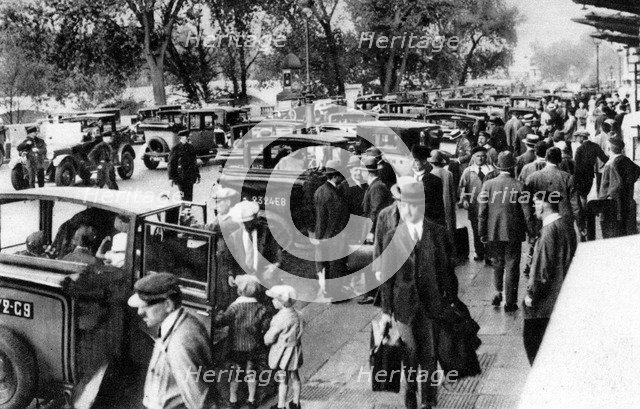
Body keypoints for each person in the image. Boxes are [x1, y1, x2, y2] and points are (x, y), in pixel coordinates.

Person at [379, 182, 458, 409]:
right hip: (404, 306)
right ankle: (410, 396)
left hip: (432, 305)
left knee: (430, 356)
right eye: (403, 205)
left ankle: (429, 401)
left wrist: (450, 300)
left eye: (412, 205)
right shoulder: (392, 236)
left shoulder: (438, 233)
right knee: (409, 354)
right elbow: (386, 277)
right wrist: (386, 312)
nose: (406, 210)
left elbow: (447, 271)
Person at [127, 273, 218, 408]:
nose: (140, 312)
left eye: (146, 305)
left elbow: (199, 401)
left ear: (168, 305)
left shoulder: (180, 341)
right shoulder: (177, 323)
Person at [523, 192, 577, 364]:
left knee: (534, 347)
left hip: (545, 304)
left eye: (535, 203)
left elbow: (542, 271)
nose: (533, 208)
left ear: (544, 205)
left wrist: (531, 296)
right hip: (563, 296)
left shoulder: (547, 232)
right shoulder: (565, 224)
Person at [479, 152, 532, 312]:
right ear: (513, 166)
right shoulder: (519, 185)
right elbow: (527, 213)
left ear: (497, 167)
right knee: (512, 265)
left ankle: (497, 292)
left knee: (497, 262)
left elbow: (482, 211)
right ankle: (510, 301)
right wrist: (532, 232)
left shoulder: (488, 185)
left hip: (493, 231)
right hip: (513, 231)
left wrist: (482, 231)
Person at [214, 275, 270, 409]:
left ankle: (233, 399)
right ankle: (251, 399)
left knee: (236, 372)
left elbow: (221, 321)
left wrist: (218, 314)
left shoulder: (235, 307)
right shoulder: (260, 307)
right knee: (251, 371)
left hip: (236, 345)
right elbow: (265, 326)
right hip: (253, 346)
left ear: (240, 291)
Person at [221, 201, 283, 286]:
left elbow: (277, 255)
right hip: (243, 281)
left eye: (247, 222)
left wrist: (274, 266)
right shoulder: (233, 237)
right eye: (241, 223)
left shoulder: (267, 233)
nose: (244, 226)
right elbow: (229, 259)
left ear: (255, 219)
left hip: (263, 280)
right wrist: (230, 275)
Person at [314, 159, 350, 301]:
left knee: (328, 266)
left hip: (326, 235)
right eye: (341, 175)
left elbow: (319, 218)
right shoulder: (331, 195)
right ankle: (335, 295)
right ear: (335, 176)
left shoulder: (321, 190)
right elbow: (325, 218)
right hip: (334, 236)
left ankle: (328, 292)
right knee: (335, 266)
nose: (342, 178)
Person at [264, 285, 303, 409]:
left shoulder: (279, 318)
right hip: (295, 350)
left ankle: (281, 405)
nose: (272, 301)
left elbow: (270, 337)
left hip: (282, 352)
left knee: (283, 379)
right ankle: (296, 402)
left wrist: (266, 341)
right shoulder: (298, 314)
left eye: (274, 299)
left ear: (281, 302)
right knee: (295, 376)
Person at [525, 147, 581, 232]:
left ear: (546, 158)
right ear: (560, 160)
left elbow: (526, 203)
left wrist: (531, 226)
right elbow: (575, 204)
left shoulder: (532, 178)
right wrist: (580, 224)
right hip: (564, 220)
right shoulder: (568, 177)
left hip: (542, 220)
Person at [598, 137, 640, 238]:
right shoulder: (627, 161)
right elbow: (637, 171)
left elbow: (608, 187)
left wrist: (601, 201)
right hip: (628, 201)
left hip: (614, 206)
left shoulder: (610, 164)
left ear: (609, 149)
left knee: (614, 236)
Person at [459, 146, 495, 262]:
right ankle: (479, 252)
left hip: (489, 206)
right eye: (478, 156)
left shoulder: (492, 171)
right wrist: (464, 199)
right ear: (473, 157)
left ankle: (490, 254)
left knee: (489, 229)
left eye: (483, 156)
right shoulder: (468, 171)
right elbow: (462, 187)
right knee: (476, 229)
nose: (480, 158)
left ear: (486, 157)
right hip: (473, 205)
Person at [428, 150, 457, 256]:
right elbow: (452, 193)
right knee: (450, 229)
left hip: (436, 206)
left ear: (431, 163)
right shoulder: (449, 174)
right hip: (448, 205)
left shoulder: (430, 174)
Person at [411, 145, 445, 226]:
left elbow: (436, 208)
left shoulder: (434, 180)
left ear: (424, 161)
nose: (413, 164)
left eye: (416, 161)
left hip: (428, 224)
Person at [574, 130, 608, 206]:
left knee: (582, 196)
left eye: (578, 137)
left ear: (582, 137)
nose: (577, 140)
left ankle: (583, 214)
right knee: (585, 195)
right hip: (590, 174)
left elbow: (576, 166)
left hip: (580, 175)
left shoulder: (580, 149)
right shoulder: (595, 146)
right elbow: (605, 159)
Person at [168, 134, 200, 201]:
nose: (187, 138)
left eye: (187, 137)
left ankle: (188, 210)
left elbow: (194, 162)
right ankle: (184, 210)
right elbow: (171, 164)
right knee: (183, 196)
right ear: (181, 138)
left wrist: (197, 175)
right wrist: (170, 178)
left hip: (190, 176)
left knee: (189, 196)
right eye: (185, 137)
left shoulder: (191, 147)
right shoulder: (175, 148)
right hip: (180, 177)